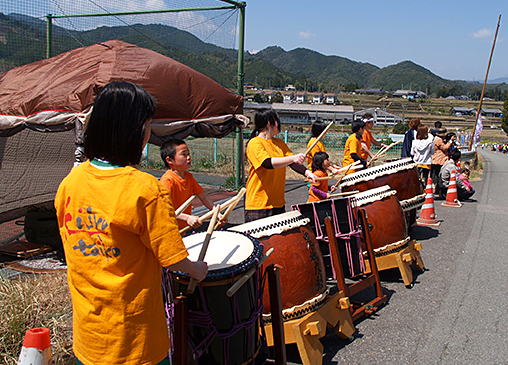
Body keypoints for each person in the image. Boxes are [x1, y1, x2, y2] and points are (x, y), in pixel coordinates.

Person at [55, 82, 208, 365]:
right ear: (136, 130)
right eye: (148, 124)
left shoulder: (70, 183)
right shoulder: (146, 190)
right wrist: (197, 269)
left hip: (88, 340)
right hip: (136, 343)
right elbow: (174, 260)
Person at [245, 108, 317, 222]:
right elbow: (267, 163)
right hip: (259, 205)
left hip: (278, 203)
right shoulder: (254, 143)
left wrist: (307, 173)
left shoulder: (279, 143)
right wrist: (293, 158)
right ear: (270, 123)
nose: (280, 123)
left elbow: (293, 163)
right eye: (277, 120)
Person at [159, 139, 216, 231]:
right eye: (184, 154)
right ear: (169, 160)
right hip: (170, 231)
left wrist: (215, 211)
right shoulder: (167, 181)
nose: (188, 157)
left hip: (184, 229)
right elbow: (164, 209)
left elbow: (203, 197)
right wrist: (187, 218)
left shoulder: (189, 177)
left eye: (188, 154)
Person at [432, 127, 451, 194]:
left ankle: (437, 189)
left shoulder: (438, 139)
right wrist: (449, 142)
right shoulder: (439, 140)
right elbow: (445, 148)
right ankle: (439, 190)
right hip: (439, 160)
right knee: (439, 176)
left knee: (438, 175)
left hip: (438, 159)